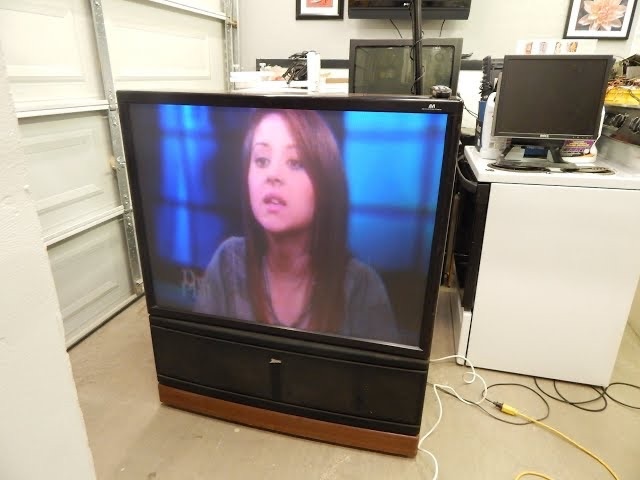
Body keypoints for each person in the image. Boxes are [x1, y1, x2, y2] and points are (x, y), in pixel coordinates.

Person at [193, 109, 398, 342]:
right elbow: (200, 356)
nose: (272, 175)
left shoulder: (361, 286)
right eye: (261, 160)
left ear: (325, 181)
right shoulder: (227, 263)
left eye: (295, 162)